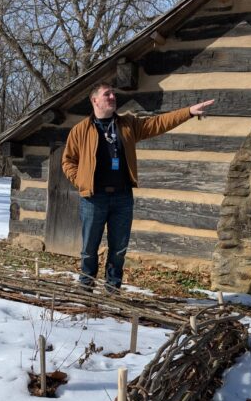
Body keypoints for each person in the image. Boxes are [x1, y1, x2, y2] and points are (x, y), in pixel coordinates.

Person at [61, 81, 214, 292]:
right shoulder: (80, 130)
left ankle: (112, 288)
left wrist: (188, 112)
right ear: (94, 100)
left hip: (122, 198)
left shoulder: (127, 125)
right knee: (89, 248)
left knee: (118, 249)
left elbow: (159, 123)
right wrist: (81, 181)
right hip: (93, 198)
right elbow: (68, 161)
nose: (113, 97)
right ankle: (86, 286)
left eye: (114, 94)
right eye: (108, 94)